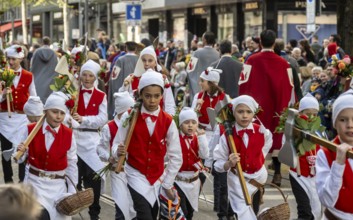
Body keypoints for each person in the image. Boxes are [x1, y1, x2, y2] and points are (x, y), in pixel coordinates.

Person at [112, 70, 182, 220]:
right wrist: (117, 151)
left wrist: (167, 182)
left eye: (157, 96)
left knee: (152, 214)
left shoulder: (168, 121)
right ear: (140, 95)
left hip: (157, 178)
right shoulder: (129, 116)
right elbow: (117, 143)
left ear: (162, 96)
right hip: (135, 174)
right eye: (148, 96)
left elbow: (176, 156)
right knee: (144, 214)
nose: (152, 100)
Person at [239, 29, 294, 187]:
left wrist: (243, 105)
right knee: (276, 137)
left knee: (257, 136)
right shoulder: (284, 63)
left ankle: (256, 170)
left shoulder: (251, 60)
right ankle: (277, 173)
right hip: (277, 107)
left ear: (260, 42)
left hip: (257, 107)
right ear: (274, 43)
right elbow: (290, 88)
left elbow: (242, 84)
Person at [16, 91, 78, 220]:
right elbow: (19, 158)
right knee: (40, 216)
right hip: (35, 183)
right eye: (54, 112)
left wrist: (72, 191)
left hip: (58, 187)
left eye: (62, 113)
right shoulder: (29, 130)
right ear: (45, 111)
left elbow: (72, 163)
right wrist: (21, 151)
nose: (58, 116)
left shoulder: (69, 134)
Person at [213, 95, 272, 219]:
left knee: (254, 211)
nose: (244, 116)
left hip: (257, 179)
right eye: (240, 112)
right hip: (237, 180)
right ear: (234, 113)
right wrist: (229, 163)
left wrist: (257, 159)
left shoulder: (263, 132)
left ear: (253, 113)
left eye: (248, 112)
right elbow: (218, 163)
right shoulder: (227, 136)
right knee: (242, 214)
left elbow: (266, 147)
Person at [71, 59, 108, 220]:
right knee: (72, 177)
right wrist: (73, 120)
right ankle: (69, 209)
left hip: (92, 139)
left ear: (95, 78)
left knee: (95, 177)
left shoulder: (101, 95)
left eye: (90, 76)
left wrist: (84, 119)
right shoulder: (73, 93)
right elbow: (65, 115)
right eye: (84, 75)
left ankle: (95, 213)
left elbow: (103, 118)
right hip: (74, 139)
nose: (86, 78)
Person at [0, 45, 37, 183]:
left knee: (23, 148)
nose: (10, 62)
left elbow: (33, 96)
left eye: (13, 59)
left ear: (20, 59)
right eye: (9, 59)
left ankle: (22, 179)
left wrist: (37, 112)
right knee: (6, 151)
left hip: (22, 118)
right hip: (4, 119)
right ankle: (8, 180)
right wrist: (3, 95)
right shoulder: (1, 74)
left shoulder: (29, 76)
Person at [97, 91, 136, 220]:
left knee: (135, 209)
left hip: (134, 173)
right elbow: (100, 149)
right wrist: (110, 157)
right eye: (129, 109)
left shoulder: (136, 124)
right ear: (121, 111)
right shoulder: (109, 127)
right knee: (121, 208)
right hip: (118, 173)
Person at [316, 89, 353, 219]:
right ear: (335, 123)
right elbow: (327, 200)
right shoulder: (325, 153)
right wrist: (338, 164)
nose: (350, 125)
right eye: (343, 120)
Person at [288, 94, 322, 219]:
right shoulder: (293, 129)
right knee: (305, 211)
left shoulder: (320, 131)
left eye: (315, 114)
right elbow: (285, 147)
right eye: (307, 113)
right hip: (299, 175)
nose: (311, 117)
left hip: (315, 176)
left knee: (316, 211)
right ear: (300, 112)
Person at [119, 46, 176, 116]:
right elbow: (121, 100)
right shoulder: (131, 79)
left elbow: (169, 103)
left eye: (150, 60)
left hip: (158, 119)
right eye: (144, 60)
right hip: (137, 119)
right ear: (140, 61)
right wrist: (125, 86)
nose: (146, 64)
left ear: (155, 62)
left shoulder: (162, 79)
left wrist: (169, 119)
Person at [174, 107, 209, 219]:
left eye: (193, 122)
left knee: (190, 212)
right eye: (186, 122)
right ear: (180, 125)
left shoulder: (198, 138)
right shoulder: (175, 138)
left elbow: (204, 155)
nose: (190, 125)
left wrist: (202, 137)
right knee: (182, 211)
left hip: (193, 181)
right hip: (178, 180)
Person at [187, 31, 220, 103]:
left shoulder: (197, 52)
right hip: (213, 86)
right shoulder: (218, 54)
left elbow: (190, 70)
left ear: (204, 40)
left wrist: (194, 83)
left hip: (200, 84)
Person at [107, 41, 138, 119]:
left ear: (126, 48)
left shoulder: (120, 60)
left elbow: (113, 78)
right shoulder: (140, 60)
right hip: (136, 93)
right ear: (136, 49)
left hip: (123, 93)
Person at [30, 36, 58, 103]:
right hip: (50, 81)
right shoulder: (54, 53)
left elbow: (33, 65)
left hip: (37, 79)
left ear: (42, 42)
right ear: (49, 43)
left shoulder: (37, 52)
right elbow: (56, 68)